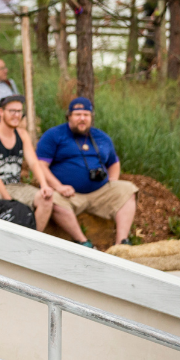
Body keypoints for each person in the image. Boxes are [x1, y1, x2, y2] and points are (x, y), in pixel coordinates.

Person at [37, 97, 138, 247]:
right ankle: (83, 242)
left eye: (86, 115)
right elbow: (40, 165)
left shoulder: (102, 137)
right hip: (69, 195)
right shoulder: (54, 135)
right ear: (69, 116)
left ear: (91, 117)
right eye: (78, 115)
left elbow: (114, 162)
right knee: (52, 198)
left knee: (128, 190)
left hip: (100, 192)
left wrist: (112, 181)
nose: (82, 118)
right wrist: (58, 186)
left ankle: (122, 243)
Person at [0, 95, 54, 231]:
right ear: (1, 112)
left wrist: (44, 185)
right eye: (12, 111)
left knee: (46, 199)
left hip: (15, 186)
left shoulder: (22, 135)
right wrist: (10, 202)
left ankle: (31, 239)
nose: (16, 115)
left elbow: (34, 163)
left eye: (19, 111)